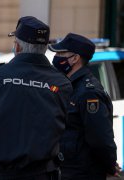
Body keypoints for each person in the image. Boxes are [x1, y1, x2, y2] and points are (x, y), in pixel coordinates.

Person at [0, 16, 73, 180]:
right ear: (45, 48)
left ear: (17, 46)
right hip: (41, 173)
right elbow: (67, 130)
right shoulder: (62, 84)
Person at [49, 33, 120, 180]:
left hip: (83, 172)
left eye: (61, 53)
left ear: (75, 58)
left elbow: (100, 138)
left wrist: (109, 165)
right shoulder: (68, 86)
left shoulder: (89, 92)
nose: (57, 57)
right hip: (65, 169)